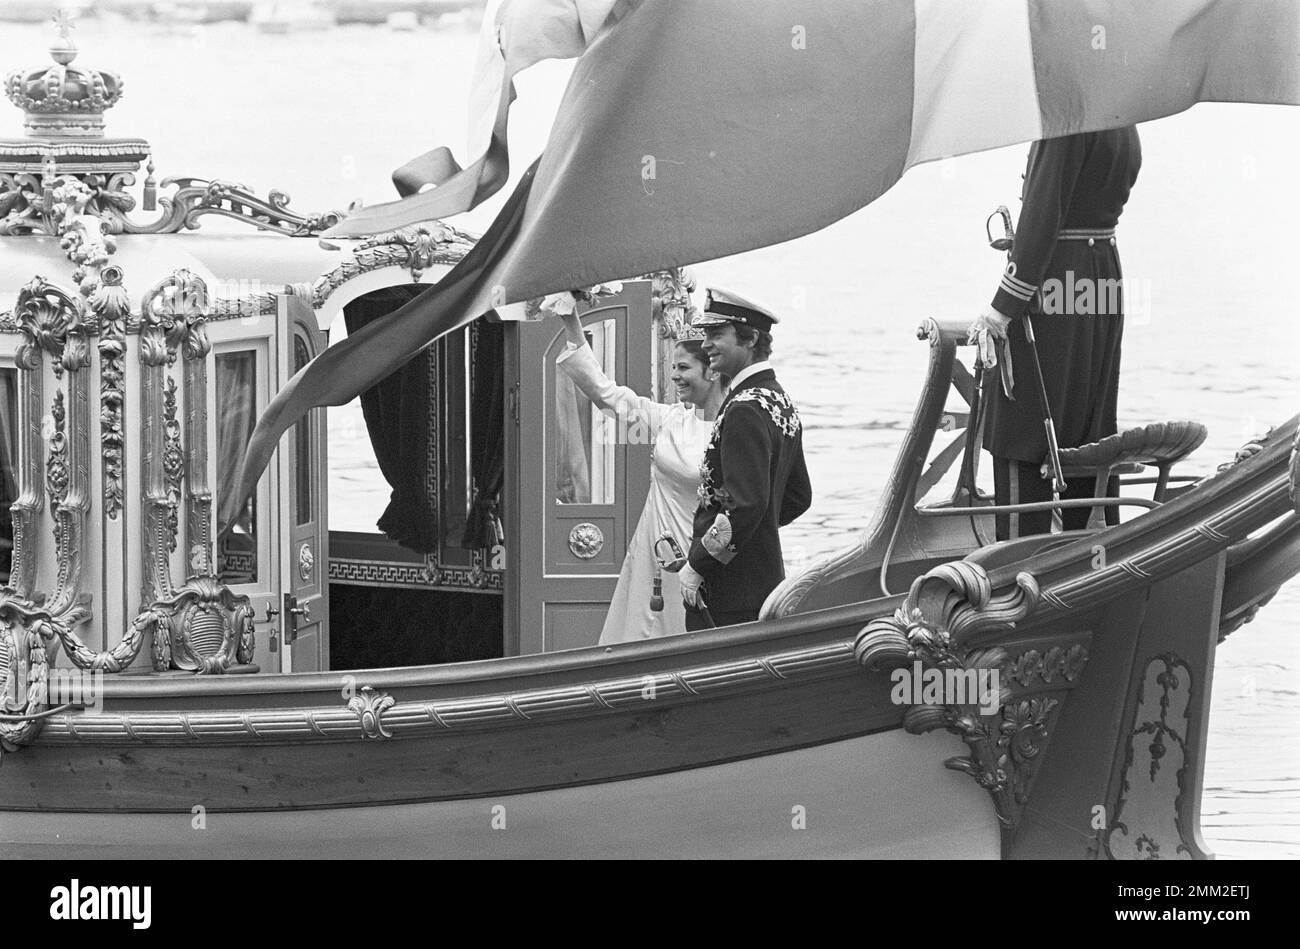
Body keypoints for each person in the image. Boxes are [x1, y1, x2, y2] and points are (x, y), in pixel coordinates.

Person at [969, 126, 1141, 540]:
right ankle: (1090, 547)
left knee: (1020, 422)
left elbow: (1041, 218)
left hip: (1056, 279)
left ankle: (1017, 561)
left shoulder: (1066, 120)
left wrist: (1000, 309)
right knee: (1090, 424)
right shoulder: (1126, 116)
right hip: (1101, 276)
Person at [555, 309, 726, 643]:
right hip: (652, 553)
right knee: (635, 636)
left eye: (683, 368)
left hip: (699, 560)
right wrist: (570, 320)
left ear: (711, 372)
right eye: (672, 367)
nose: (675, 376)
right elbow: (606, 395)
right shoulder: (671, 419)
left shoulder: (734, 427)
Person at [679, 289, 812, 629]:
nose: (705, 344)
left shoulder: (744, 408)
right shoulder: (779, 399)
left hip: (728, 593)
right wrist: (753, 537)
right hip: (763, 583)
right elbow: (798, 497)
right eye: (706, 334)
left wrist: (699, 564)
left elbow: (746, 506)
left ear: (751, 338)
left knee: (709, 677)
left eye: (716, 335)